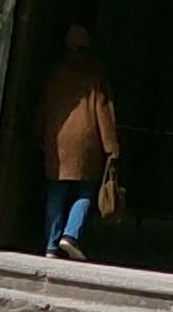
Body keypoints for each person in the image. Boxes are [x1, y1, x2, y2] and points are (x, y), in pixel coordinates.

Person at [36, 19, 120, 260]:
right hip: (86, 140)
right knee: (87, 187)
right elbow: (103, 112)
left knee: (57, 188)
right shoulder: (95, 75)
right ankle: (70, 234)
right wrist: (111, 146)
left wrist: (39, 133)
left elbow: (43, 107)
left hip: (58, 136)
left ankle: (51, 245)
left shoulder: (55, 73)